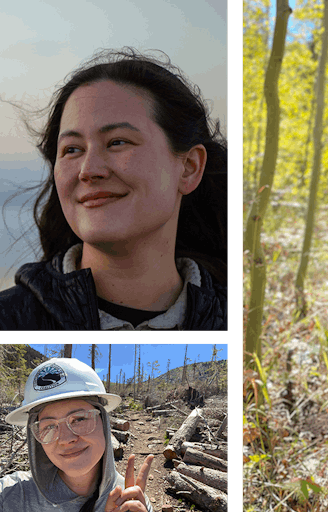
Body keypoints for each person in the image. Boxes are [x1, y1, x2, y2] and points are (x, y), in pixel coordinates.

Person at [0, 48, 227, 330]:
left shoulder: (238, 325)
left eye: (117, 142)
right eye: (72, 149)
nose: (89, 170)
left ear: (189, 167)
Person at [1, 357, 154, 511]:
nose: (66, 439)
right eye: (49, 426)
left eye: (79, 419)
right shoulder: (11, 494)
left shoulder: (131, 500)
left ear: (104, 422)